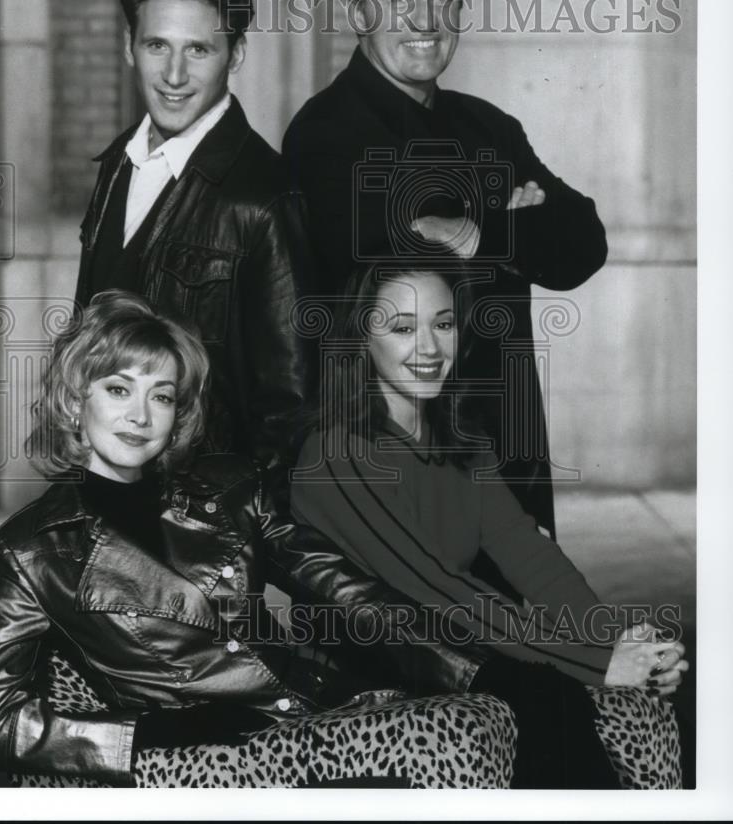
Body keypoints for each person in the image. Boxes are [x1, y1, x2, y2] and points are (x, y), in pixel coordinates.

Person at [0, 291, 535, 789]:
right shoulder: (31, 552)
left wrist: (471, 667)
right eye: (119, 389)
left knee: (492, 709)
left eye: (162, 396)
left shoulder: (233, 489)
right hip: (212, 759)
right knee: (456, 729)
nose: (140, 415)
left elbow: (349, 594)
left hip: (315, 713)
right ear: (75, 401)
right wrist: (144, 734)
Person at [290, 250, 689, 788]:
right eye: (403, 328)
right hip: (377, 670)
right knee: (550, 695)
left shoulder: (461, 438)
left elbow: (529, 555)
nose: (429, 348)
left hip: (459, 648)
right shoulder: (336, 453)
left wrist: (617, 637)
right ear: (361, 337)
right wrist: (600, 661)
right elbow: (440, 591)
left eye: (444, 323)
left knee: (682, 678)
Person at [283, 0, 608, 548]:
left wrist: (477, 232)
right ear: (358, 14)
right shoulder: (323, 132)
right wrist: (510, 220)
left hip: (507, 460)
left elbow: (582, 245)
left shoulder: (490, 127)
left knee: (529, 640)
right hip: (390, 478)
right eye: (399, 0)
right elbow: (391, 242)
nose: (425, 21)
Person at [75, 0, 312, 471]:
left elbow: (291, 411)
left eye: (198, 50)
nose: (174, 75)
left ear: (237, 54)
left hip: (206, 524)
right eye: (158, 45)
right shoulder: (117, 163)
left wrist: (244, 541)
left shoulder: (266, 196)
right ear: (128, 46)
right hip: (108, 491)